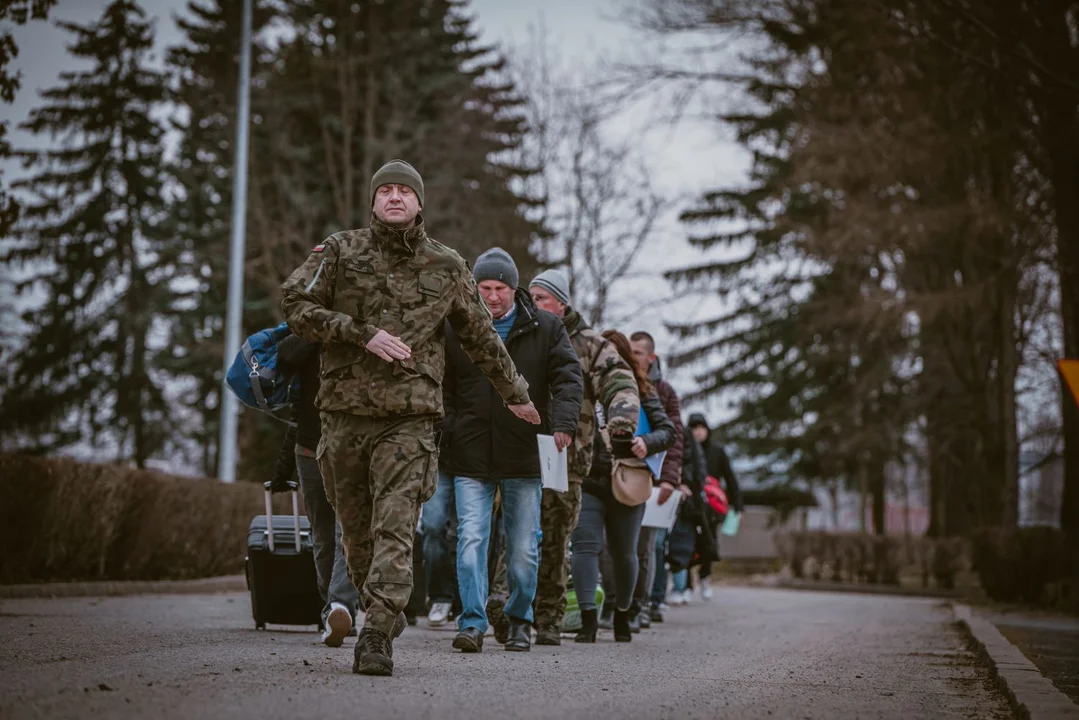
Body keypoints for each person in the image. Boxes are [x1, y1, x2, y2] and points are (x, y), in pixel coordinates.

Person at [280, 160, 541, 677]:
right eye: (386, 191)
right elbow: (294, 304)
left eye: (405, 191)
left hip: (410, 420)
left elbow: (481, 336)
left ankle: (376, 631)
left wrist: (516, 393)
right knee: (356, 535)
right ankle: (380, 605)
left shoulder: (446, 266)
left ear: (420, 203)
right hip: (344, 415)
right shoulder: (338, 251)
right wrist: (360, 332)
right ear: (373, 201)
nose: (395, 198)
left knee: (396, 524)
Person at [443, 249, 584, 654]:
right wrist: (451, 426)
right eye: (484, 288)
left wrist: (563, 423)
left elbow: (568, 378)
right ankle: (472, 621)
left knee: (523, 549)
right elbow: (443, 385)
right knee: (470, 541)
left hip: (524, 455)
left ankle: (520, 619)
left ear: (513, 287)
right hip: (470, 454)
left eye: (500, 288)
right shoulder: (458, 326)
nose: (491, 297)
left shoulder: (546, 328)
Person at [525, 269, 640, 646]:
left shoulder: (590, 344)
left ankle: (548, 619)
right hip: (517, 453)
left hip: (566, 457)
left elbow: (619, 378)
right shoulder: (520, 331)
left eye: (542, 298)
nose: (535, 304)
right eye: (532, 297)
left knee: (557, 539)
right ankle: (509, 612)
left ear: (562, 303)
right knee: (515, 536)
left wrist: (622, 418)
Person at [570, 330, 676, 643]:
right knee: (585, 547)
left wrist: (647, 441)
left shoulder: (642, 389)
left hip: (628, 478)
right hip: (589, 478)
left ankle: (622, 615)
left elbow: (667, 430)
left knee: (625, 553)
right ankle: (588, 618)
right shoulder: (583, 387)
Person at [269, 333, 360, 647]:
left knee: (344, 531)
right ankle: (332, 610)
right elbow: (284, 359)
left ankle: (341, 605)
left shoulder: (366, 330)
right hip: (309, 449)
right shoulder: (312, 335)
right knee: (321, 535)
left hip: (353, 448)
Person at [627, 331, 684, 630]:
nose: (631, 356)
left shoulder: (664, 391)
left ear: (650, 358)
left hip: (653, 478)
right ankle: (618, 604)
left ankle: (642, 604)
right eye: (629, 350)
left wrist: (670, 480)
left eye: (637, 352)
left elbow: (674, 439)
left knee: (645, 547)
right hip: (620, 474)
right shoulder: (619, 381)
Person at [687, 413, 744, 600]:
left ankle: (705, 577)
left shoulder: (717, 452)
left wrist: (738, 505)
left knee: (709, 542)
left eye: (701, 428)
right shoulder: (685, 449)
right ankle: (686, 585)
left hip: (712, 506)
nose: (698, 432)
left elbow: (730, 478)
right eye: (694, 428)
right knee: (687, 543)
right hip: (690, 502)